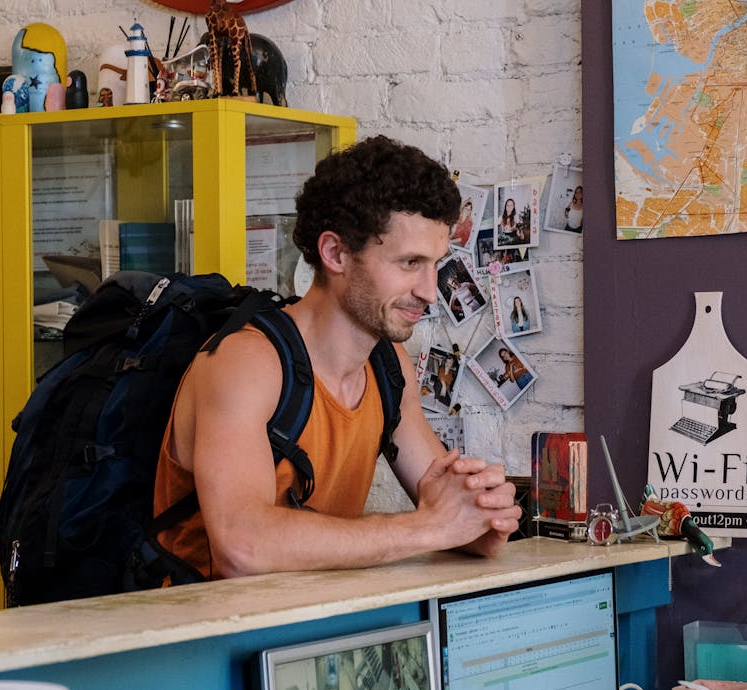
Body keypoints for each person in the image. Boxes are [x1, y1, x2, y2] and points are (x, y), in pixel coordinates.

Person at [152, 135, 521, 580]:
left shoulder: (387, 366)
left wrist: (480, 520)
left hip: (311, 635)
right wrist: (428, 528)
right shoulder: (245, 363)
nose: (429, 291)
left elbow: (441, 506)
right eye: (409, 263)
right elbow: (241, 546)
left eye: (435, 265)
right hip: (202, 640)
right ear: (335, 253)